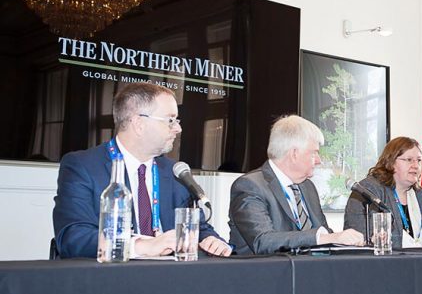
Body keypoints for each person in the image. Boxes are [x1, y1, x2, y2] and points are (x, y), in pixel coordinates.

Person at [52, 82, 232, 258]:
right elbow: (73, 237)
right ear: (139, 123)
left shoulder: (174, 172)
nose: (178, 128)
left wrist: (211, 241)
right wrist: (141, 246)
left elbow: (200, 228)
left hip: (171, 278)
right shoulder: (83, 166)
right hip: (112, 278)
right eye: (170, 120)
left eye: (177, 121)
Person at [228, 115, 365, 254]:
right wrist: (323, 238)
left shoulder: (308, 187)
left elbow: (324, 234)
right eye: (314, 153)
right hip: (265, 273)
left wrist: (353, 243)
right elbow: (263, 241)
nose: (319, 161)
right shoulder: (250, 186)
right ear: (294, 153)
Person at [343, 137, 422, 249]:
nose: (416, 165)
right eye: (409, 160)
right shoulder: (369, 189)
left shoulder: (420, 193)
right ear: (391, 162)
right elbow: (359, 235)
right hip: (385, 263)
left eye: (419, 160)